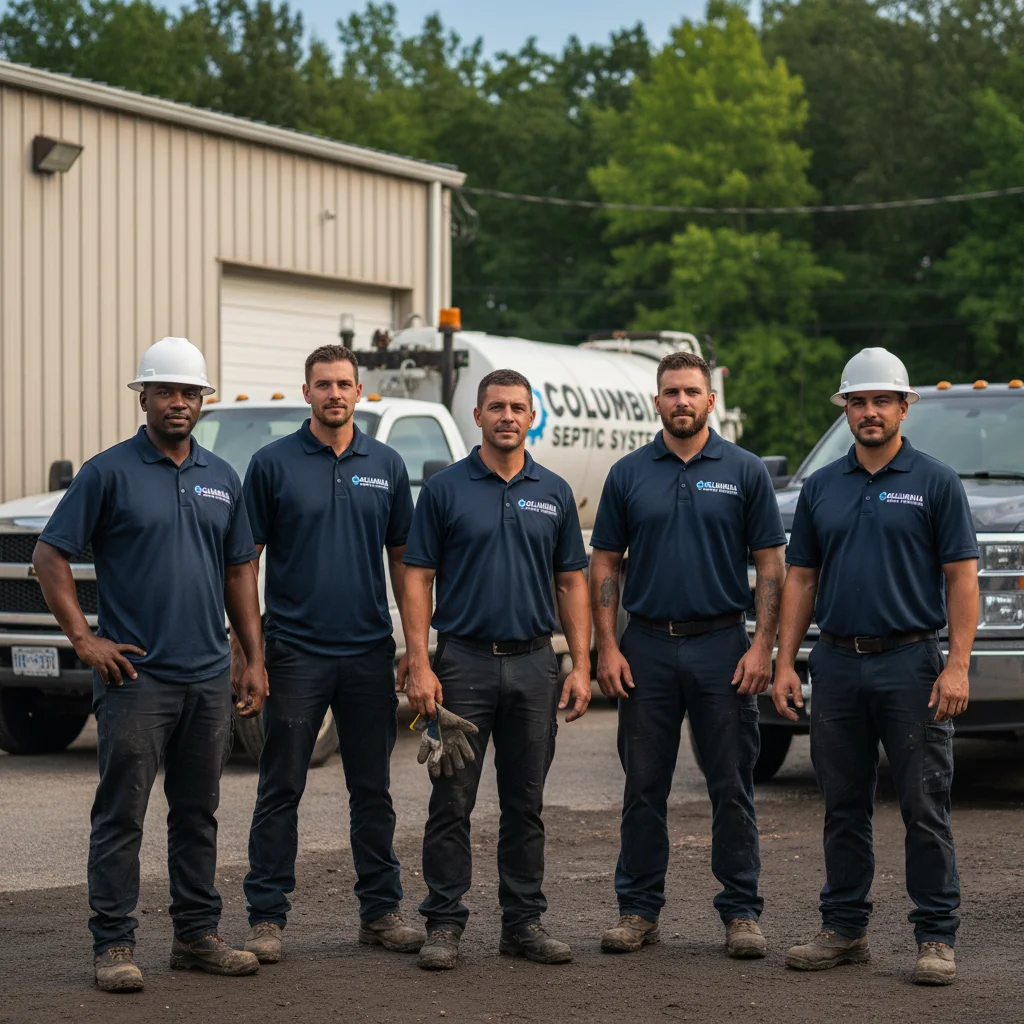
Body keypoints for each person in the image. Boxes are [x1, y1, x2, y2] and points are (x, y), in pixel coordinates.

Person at [32, 337, 265, 993]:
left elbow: (240, 571)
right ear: (144, 397)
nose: (179, 403)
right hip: (136, 680)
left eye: (190, 393)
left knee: (198, 813)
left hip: (207, 676)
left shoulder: (222, 477)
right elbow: (50, 557)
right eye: (166, 391)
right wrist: (84, 640)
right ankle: (114, 945)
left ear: (202, 401)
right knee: (121, 815)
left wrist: (252, 658)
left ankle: (196, 936)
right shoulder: (107, 473)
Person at [773, 348, 978, 986]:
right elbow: (800, 578)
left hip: (912, 664)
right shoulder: (823, 487)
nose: (868, 412)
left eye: (880, 401)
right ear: (845, 409)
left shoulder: (936, 481)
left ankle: (936, 936)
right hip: (836, 663)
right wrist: (786, 662)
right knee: (842, 803)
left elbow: (961, 580)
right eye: (857, 402)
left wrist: (959, 666)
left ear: (903, 405)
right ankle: (845, 930)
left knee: (923, 802)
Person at [589, 350, 787, 959]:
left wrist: (762, 646)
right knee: (643, 787)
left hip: (722, 647)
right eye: (671, 392)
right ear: (657, 401)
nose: (681, 401)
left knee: (732, 785)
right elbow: (604, 564)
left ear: (709, 401)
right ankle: (638, 911)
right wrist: (607, 647)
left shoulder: (745, 471)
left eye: (691, 392)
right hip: (645, 646)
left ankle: (741, 913)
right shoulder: (627, 474)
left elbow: (771, 565)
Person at [401, 368, 593, 971]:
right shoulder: (444, 490)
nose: (507, 416)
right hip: (462, 666)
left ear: (532, 416)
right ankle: (445, 924)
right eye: (495, 407)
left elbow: (571, 581)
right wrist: (419, 662)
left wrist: (580, 663)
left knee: (526, 802)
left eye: (517, 407)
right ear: (477, 416)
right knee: (451, 798)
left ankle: (523, 924)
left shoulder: (554, 491)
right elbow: (417, 577)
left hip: (536, 664)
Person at [237, 344, 422, 964]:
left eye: (344, 384)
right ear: (307, 391)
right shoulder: (272, 464)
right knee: (280, 786)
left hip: (369, 651)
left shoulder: (387, 465)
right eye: (323, 385)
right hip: (294, 652)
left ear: (360, 390)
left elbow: (405, 562)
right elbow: (244, 562)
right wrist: (250, 654)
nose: (335, 394)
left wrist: (412, 650)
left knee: (372, 791)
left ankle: (381, 912)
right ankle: (267, 918)